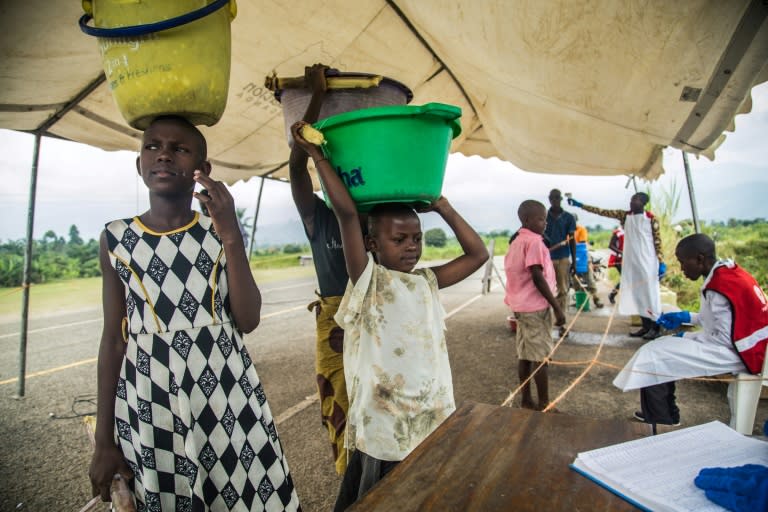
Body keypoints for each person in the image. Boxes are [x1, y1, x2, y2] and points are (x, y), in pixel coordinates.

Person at [88, 116, 299, 510]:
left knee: (244, 489)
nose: (164, 155)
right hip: (151, 399)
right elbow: (113, 339)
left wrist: (231, 232)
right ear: (139, 164)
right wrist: (104, 442)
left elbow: (248, 319)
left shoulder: (219, 233)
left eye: (179, 148)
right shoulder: (116, 239)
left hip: (225, 393)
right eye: (152, 146)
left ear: (203, 171)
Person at [291, 120, 488, 509]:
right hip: (384, 422)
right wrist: (318, 157)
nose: (411, 247)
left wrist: (443, 206)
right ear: (371, 244)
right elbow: (347, 214)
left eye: (416, 237)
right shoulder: (368, 281)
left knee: (427, 495)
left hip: (432, 414)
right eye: (399, 239)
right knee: (382, 499)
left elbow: (477, 255)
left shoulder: (427, 282)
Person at [613, 234, 768, 430]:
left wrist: (685, 336)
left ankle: (662, 419)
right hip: (748, 345)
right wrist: (687, 317)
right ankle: (664, 412)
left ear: (700, 259)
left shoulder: (718, 287)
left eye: (683, 262)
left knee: (653, 354)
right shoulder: (727, 273)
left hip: (741, 352)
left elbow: (723, 339)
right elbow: (722, 319)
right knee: (660, 347)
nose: (682, 269)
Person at [288, 64, 351, 475]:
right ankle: (351, 482)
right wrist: (317, 99)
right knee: (339, 408)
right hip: (333, 322)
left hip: (374, 317)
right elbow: (296, 169)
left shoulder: (370, 217)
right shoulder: (319, 217)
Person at [568, 192, 664, 339]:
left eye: (636, 200)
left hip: (648, 262)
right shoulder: (625, 216)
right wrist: (581, 205)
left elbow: (657, 241)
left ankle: (655, 327)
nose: (632, 202)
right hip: (632, 262)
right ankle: (645, 326)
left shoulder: (651, 219)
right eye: (632, 199)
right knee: (637, 295)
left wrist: (661, 261)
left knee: (650, 294)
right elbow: (601, 211)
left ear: (643, 203)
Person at [505, 200, 567, 410]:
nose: (545, 223)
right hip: (535, 308)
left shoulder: (516, 242)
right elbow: (537, 276)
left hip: (521, 307)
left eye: (545, 219)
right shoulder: (534, 242)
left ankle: (526, 399)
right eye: (541, 219)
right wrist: (557, 308)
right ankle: (543, 403)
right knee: (541, 358)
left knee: (525, 355)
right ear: (527, 220)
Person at [544, 189, 577, 336]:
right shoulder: (544, 217)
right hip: (547, 258)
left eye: (558, 197)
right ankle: (546, 324)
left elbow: (572, 240)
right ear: (549, 199)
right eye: (553, 198)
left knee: (563, 290)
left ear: (561, 199)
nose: (555, 200)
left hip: (563, 257)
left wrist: (574, 262)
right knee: (546, 291)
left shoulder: (568, 217)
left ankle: (562, 323)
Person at [571, 214, 604, 309]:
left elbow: (581, 244)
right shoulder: (567, 231)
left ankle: (596, 299)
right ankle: (579, 300)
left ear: (576, 221)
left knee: (590, 280)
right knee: (575, 282)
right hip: (572, 259)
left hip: (582, 257)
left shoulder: (581, 230)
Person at [607, 225, 624, 304]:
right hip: (618, 259)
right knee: (625, 278)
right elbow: (610, 246)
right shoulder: (617, 233)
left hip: (627, 259)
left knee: (626, 279)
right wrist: (620, 252)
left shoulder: (630, 232)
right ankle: (612, 294)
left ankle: (613, 294)